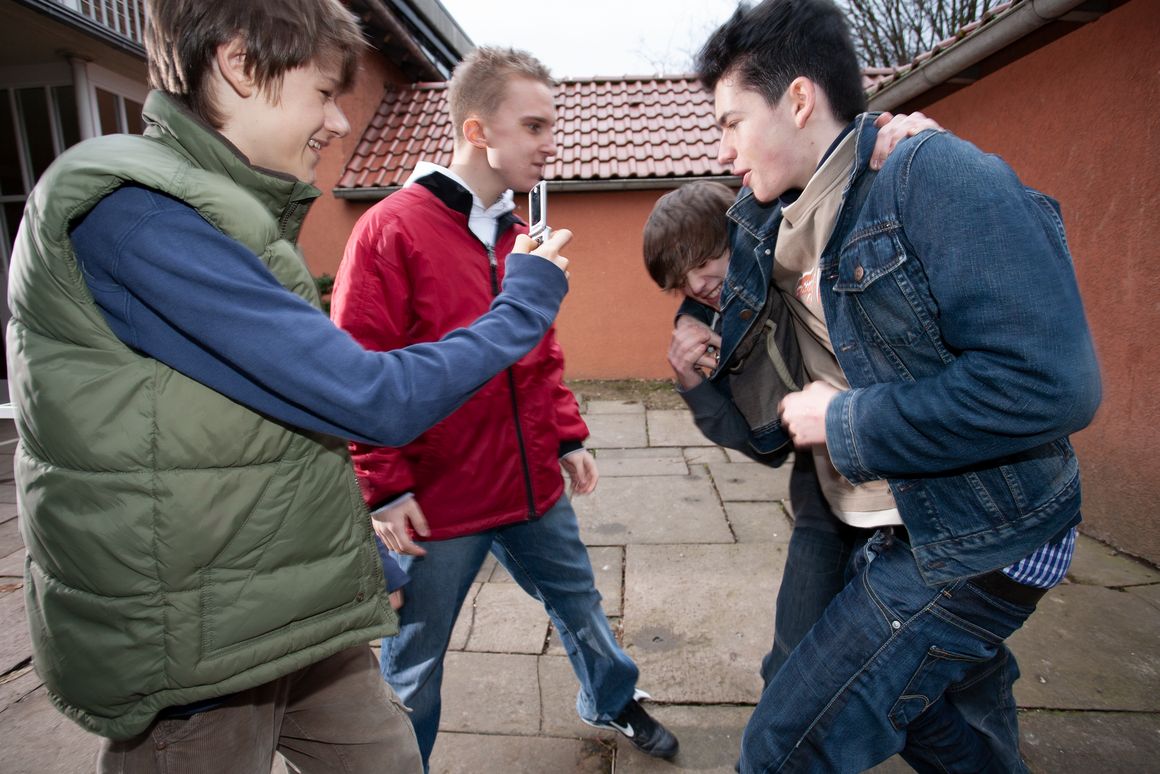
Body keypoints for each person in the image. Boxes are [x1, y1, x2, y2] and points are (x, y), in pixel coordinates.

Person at [5, 1, 575, 771]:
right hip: (202, 644)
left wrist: (349, 561)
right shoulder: (140, 216)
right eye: (323, 94)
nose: (340, 123)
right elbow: (369, 395)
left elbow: (268, 428)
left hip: (285, 611)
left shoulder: (218, 210)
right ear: (242, 65)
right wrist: (525, 300)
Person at [695, 1, 1101, 771]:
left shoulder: (928, 174)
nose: (723, 150)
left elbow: (1050, 385)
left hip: (976, 530)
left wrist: (846, 421)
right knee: (924, 716)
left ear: (800, 100)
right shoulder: (763, 219)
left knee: (785, 746)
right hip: (867, 515)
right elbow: (726, 315)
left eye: (731, 121)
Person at [330, 47, 678, 767]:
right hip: (437, 502)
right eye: (536, 126)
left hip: (530, 488)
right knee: (416, 663)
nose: (553, 142)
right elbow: (356, 370)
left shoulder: (524, 236)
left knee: (580, 607)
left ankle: (611, 699)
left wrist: (565, 437)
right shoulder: (389, 229)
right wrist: (385, 486)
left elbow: (538, 353)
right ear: (480, 129)